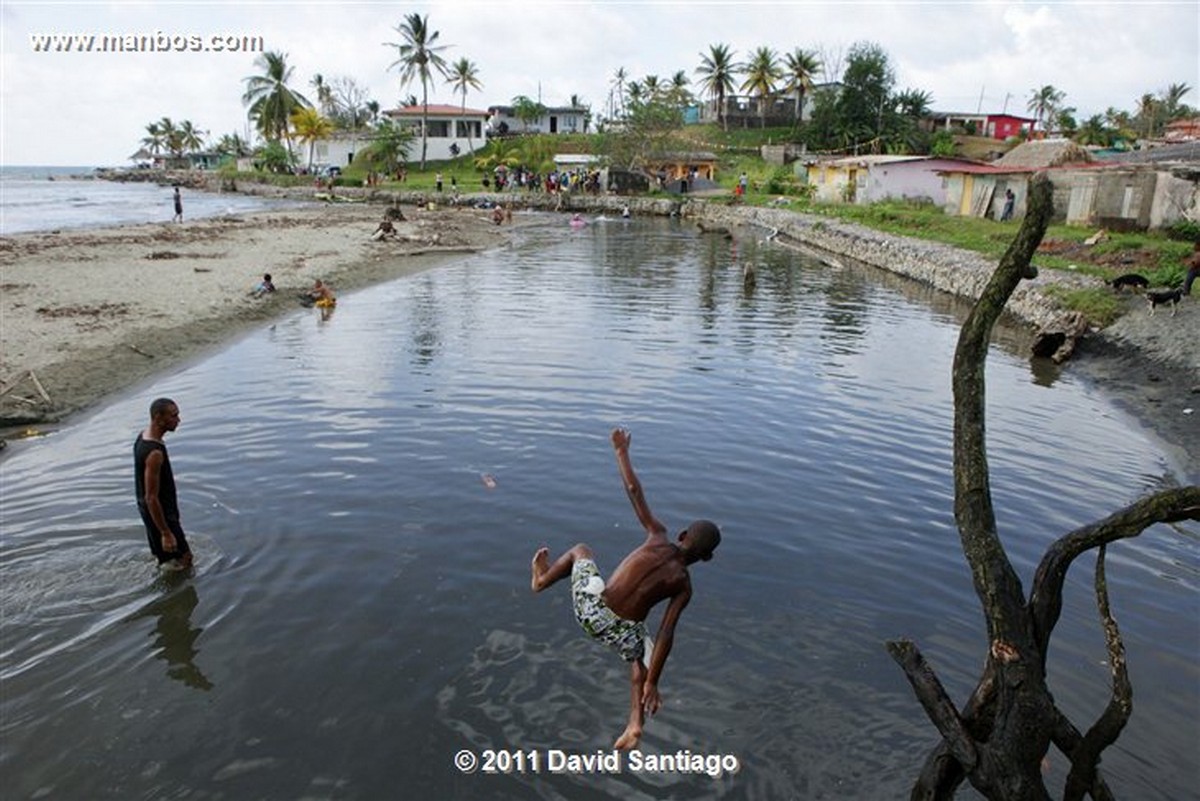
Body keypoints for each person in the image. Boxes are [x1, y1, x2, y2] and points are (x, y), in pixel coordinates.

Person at [530, 428, 721, 750]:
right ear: (707, 558)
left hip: (591, 611)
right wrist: (653, 682)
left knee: (580, 550)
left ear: (683, 534)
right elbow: (666, 634)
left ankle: (541, 581)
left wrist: (621, 452)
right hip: (619, 632)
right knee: (641, 656)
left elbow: (634, 490)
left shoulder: (658, 535)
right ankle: (634, 723)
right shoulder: (684, 586)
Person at [134, 398, 193, 571]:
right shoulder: (155, 453)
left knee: (167, 560)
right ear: (159, 418)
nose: (178, 420)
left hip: (150, 511)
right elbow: (151, 497)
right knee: (185, 559)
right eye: (174, 416)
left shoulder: (143, 436)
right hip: (160, 514)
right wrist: (166, 533)